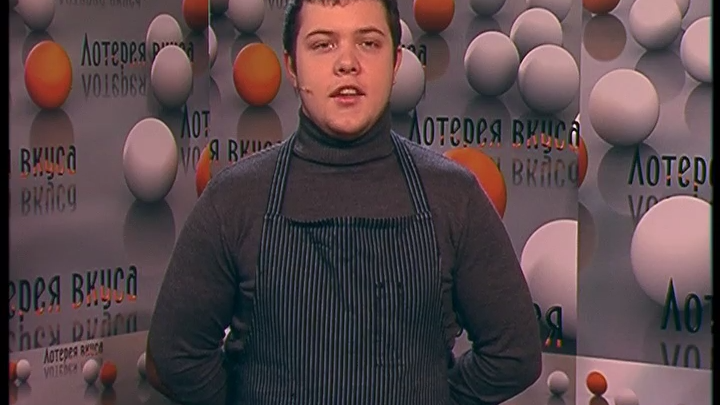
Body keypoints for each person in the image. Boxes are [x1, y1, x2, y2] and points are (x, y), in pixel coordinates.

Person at [145, 0, 542, 404]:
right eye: (323, 44)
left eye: (368, 43)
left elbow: (514, 355)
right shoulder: (234, 200)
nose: (347, 64)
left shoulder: (453, 197)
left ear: (395, 63)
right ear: (292, 67)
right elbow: (175, 357)